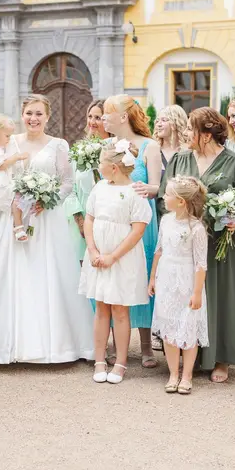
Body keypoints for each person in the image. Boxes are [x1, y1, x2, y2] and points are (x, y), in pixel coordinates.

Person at [0, 94, 95, 365]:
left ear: (48, 117)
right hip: (10, 218)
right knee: (10, 275)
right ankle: (5, 345)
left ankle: (58, 344)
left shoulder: (59, 144)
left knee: (48, 274)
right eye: (29, 113)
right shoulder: (8, 141)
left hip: (45, 219)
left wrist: (47, 200)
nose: (33, 119)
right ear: (22, 115)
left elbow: (66, 181)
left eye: (38, 114)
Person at [175, 108, 235, 383]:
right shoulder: (179, 159)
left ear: (206, 135)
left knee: (221, 297)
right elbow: (166, 196)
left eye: (190, 129)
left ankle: (222, 358)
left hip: (221, 243)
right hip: (186, 242)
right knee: (188, 296)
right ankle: (190, 355)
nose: (185, 134)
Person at [80, 141, 152, 384]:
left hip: (122, 257)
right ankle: (100, 359)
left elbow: (138, 230)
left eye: (100, 163)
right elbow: (89, 218)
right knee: (101, 307)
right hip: (98, 255)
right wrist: (92, 249)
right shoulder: (99, 187)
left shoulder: (134, 191)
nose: (98, 167)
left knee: (120, 309)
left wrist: (113, 256)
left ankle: (121, 362)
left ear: (113, 167)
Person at [101, 94, 161, 368]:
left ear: (123, 117)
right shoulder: (105, 146)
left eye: (106, 113)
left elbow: (158, 186)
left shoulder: (150, 146)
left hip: (141, 225)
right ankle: (115, 344)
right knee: (114, 282)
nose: (102, 118)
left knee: (141, 277)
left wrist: (150, 190)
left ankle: (147, 345)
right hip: (112, 223)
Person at [150, 176, 209, 395]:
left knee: (187, 328)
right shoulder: (165, 221)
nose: (164, 197)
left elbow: (201, 264)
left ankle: (187, 375)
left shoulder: (196, 228)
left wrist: (196, 293)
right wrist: (153, 278)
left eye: (168, 194)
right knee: (168, 330)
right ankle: (173, 373)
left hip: (187, 282)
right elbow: (159, 250)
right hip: (166, 279)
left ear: (181, 201)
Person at [65, 100, 109, 261]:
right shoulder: (80, 150)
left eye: (98, 117)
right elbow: (70, 188)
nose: (92, 122)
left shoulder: (117, 149)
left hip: (108, 219)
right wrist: (80, 221)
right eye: (90, 116)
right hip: (81, 221)